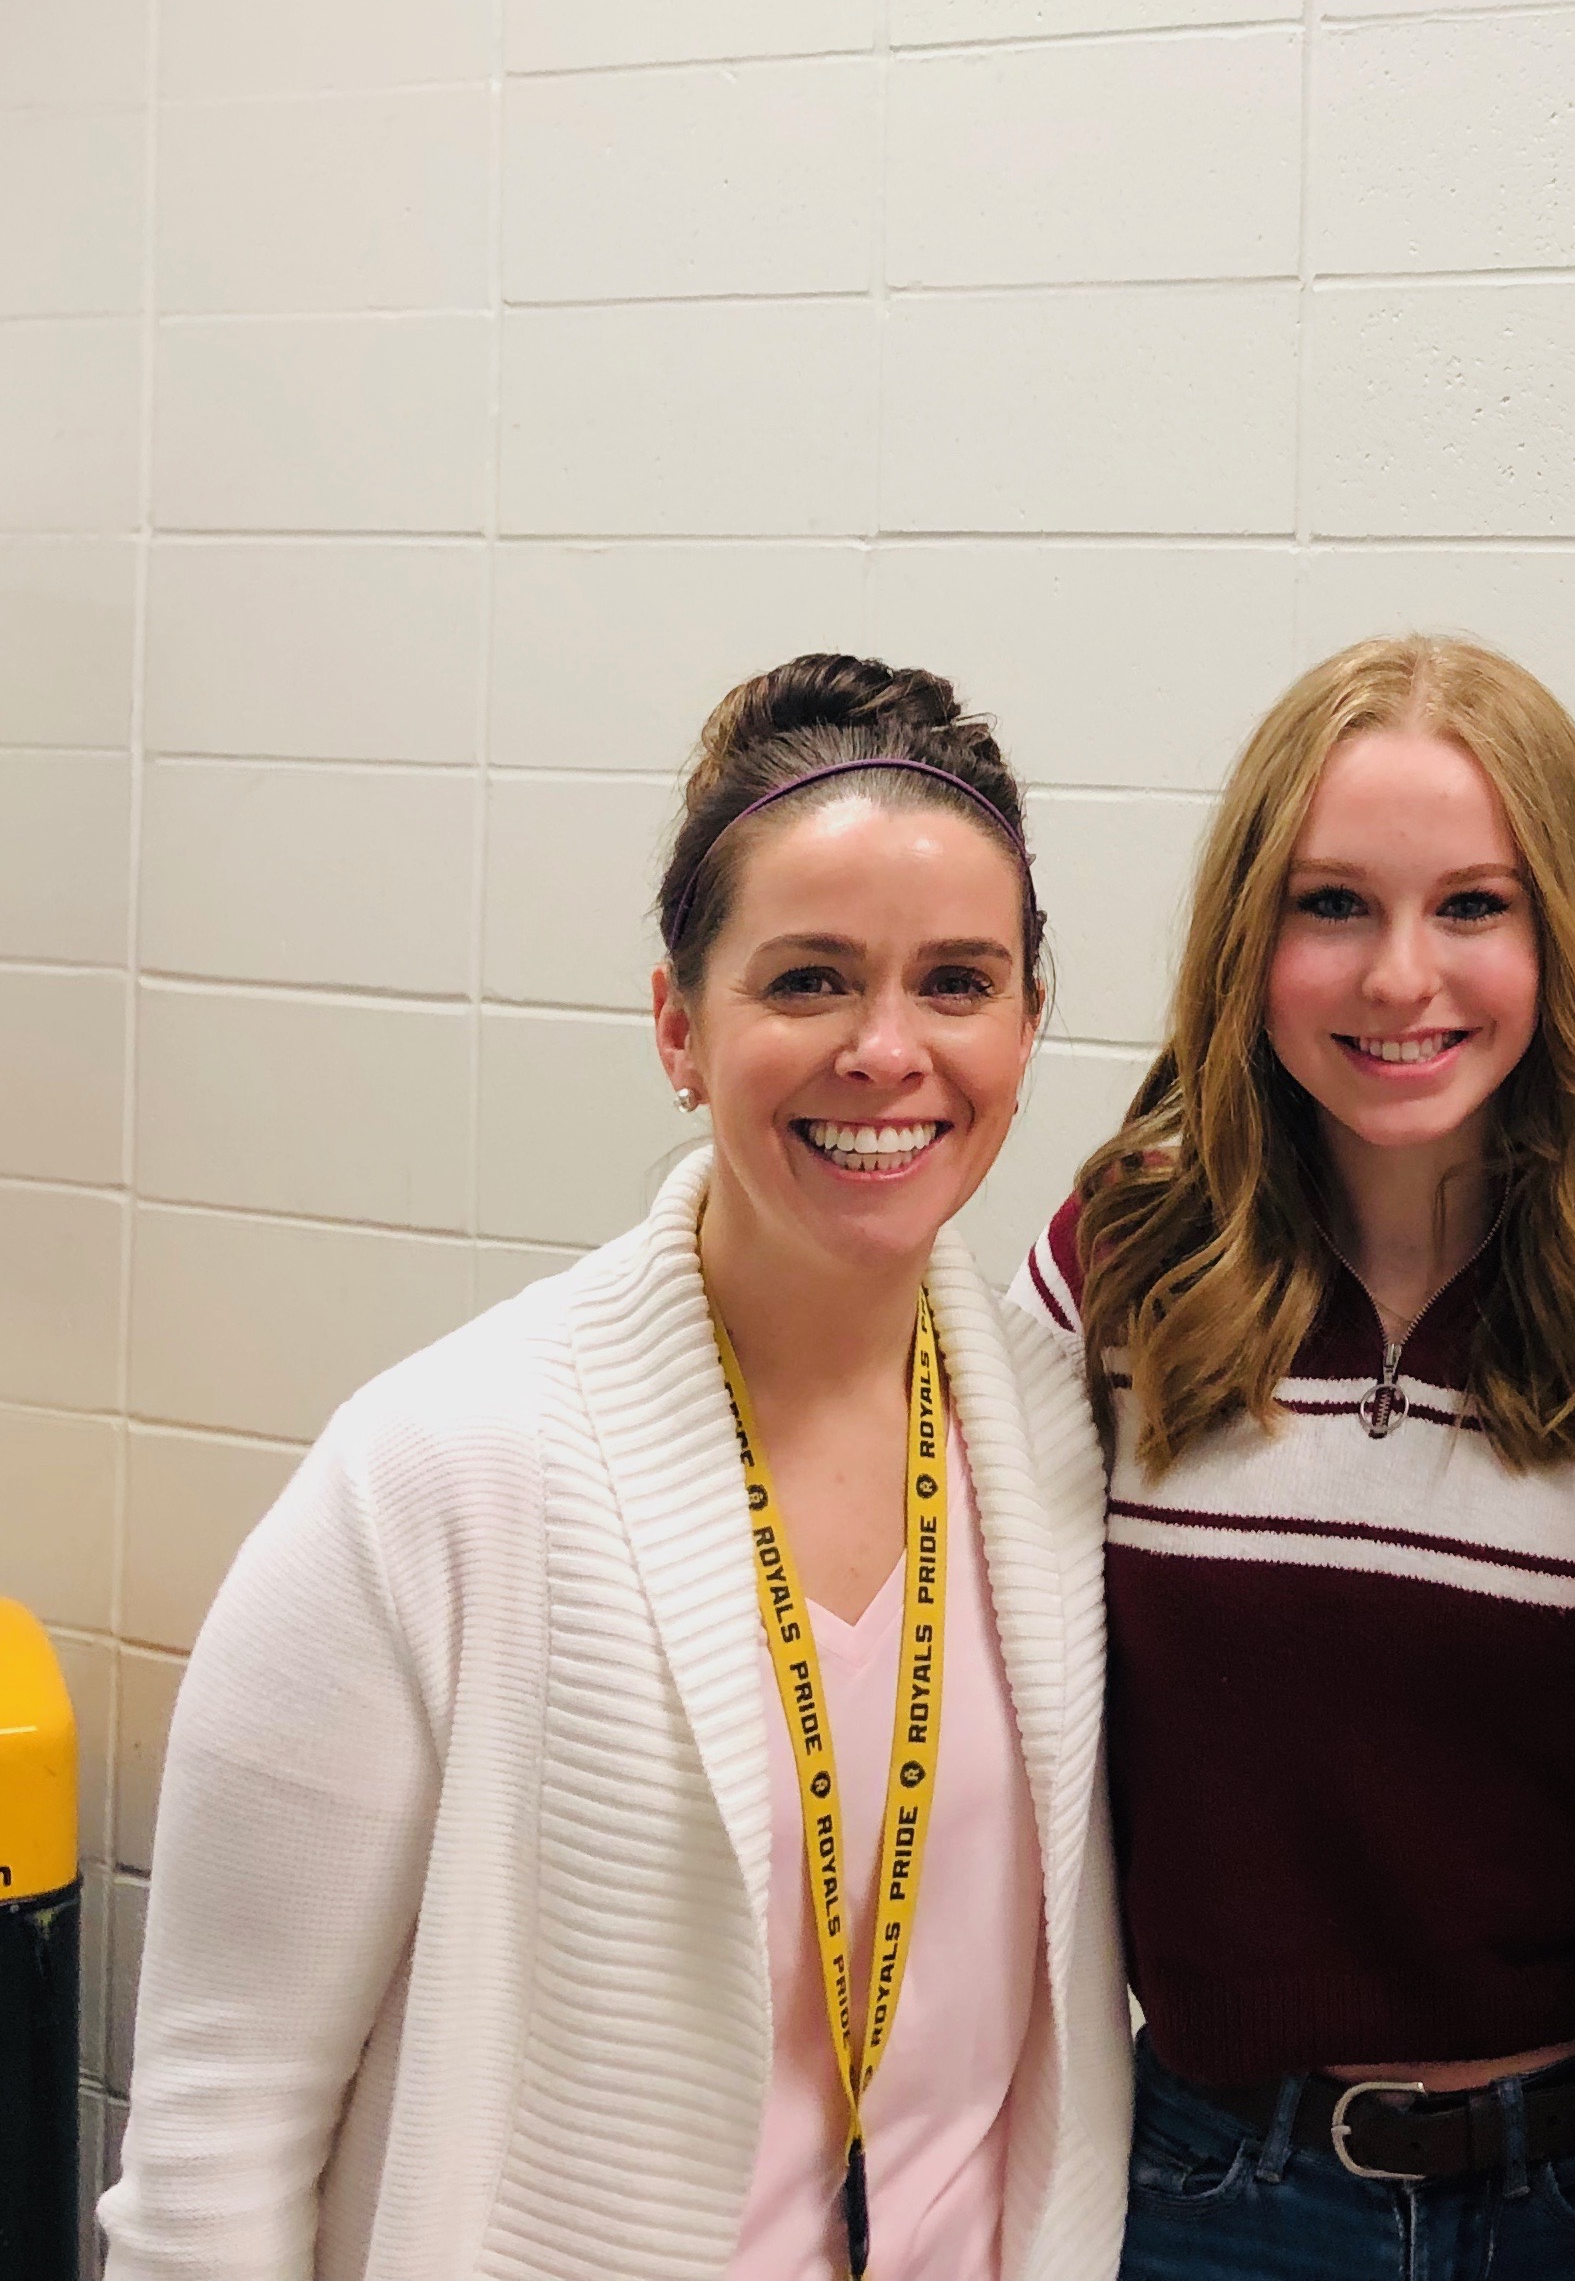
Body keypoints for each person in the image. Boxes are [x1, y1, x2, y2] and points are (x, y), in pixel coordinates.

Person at [104, 655, 1130, 2281]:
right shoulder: (442, 1475)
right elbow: (214, 2156)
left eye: (956, 981)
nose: (886, 1050)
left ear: (1026, 1019)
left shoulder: (1066, 1449)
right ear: (677, 1023)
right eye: (805, 981)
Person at [1002, 636, 1575, 2281]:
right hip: (1217, 2188)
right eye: (1331, 905)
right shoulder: (1125, 1254)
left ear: (1562, 936)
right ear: (1246, 937)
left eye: (1473, 907)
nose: (1399, 977)